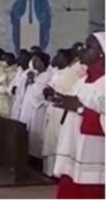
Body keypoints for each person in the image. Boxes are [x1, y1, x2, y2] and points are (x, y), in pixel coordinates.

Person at [51, 32, 104, 198]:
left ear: (102, 53)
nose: (82, 50)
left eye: (89, 47)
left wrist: (80, 109)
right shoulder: (80, 81)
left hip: (94, 154)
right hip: (73, 149)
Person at [42, 48, 87, 176]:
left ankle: (59, 172)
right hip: (55, 109)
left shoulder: (73, 72)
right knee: (51, 141)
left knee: (60, 142)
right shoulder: (63, 72)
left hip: (64, 112)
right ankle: (50, 172)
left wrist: (55, 94)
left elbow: (72, 93)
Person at [19, 52, 53, 157]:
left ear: (43, 63)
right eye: (33, 60)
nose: (34, 63)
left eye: (37, 60)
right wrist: (27, 82)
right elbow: (23, 90)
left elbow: (40, 94)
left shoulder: (47, 76)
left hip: (37, 110)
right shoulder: (34, 74)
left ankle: (35, 157)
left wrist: (32, 81)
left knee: (35, 136)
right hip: (27, 108)